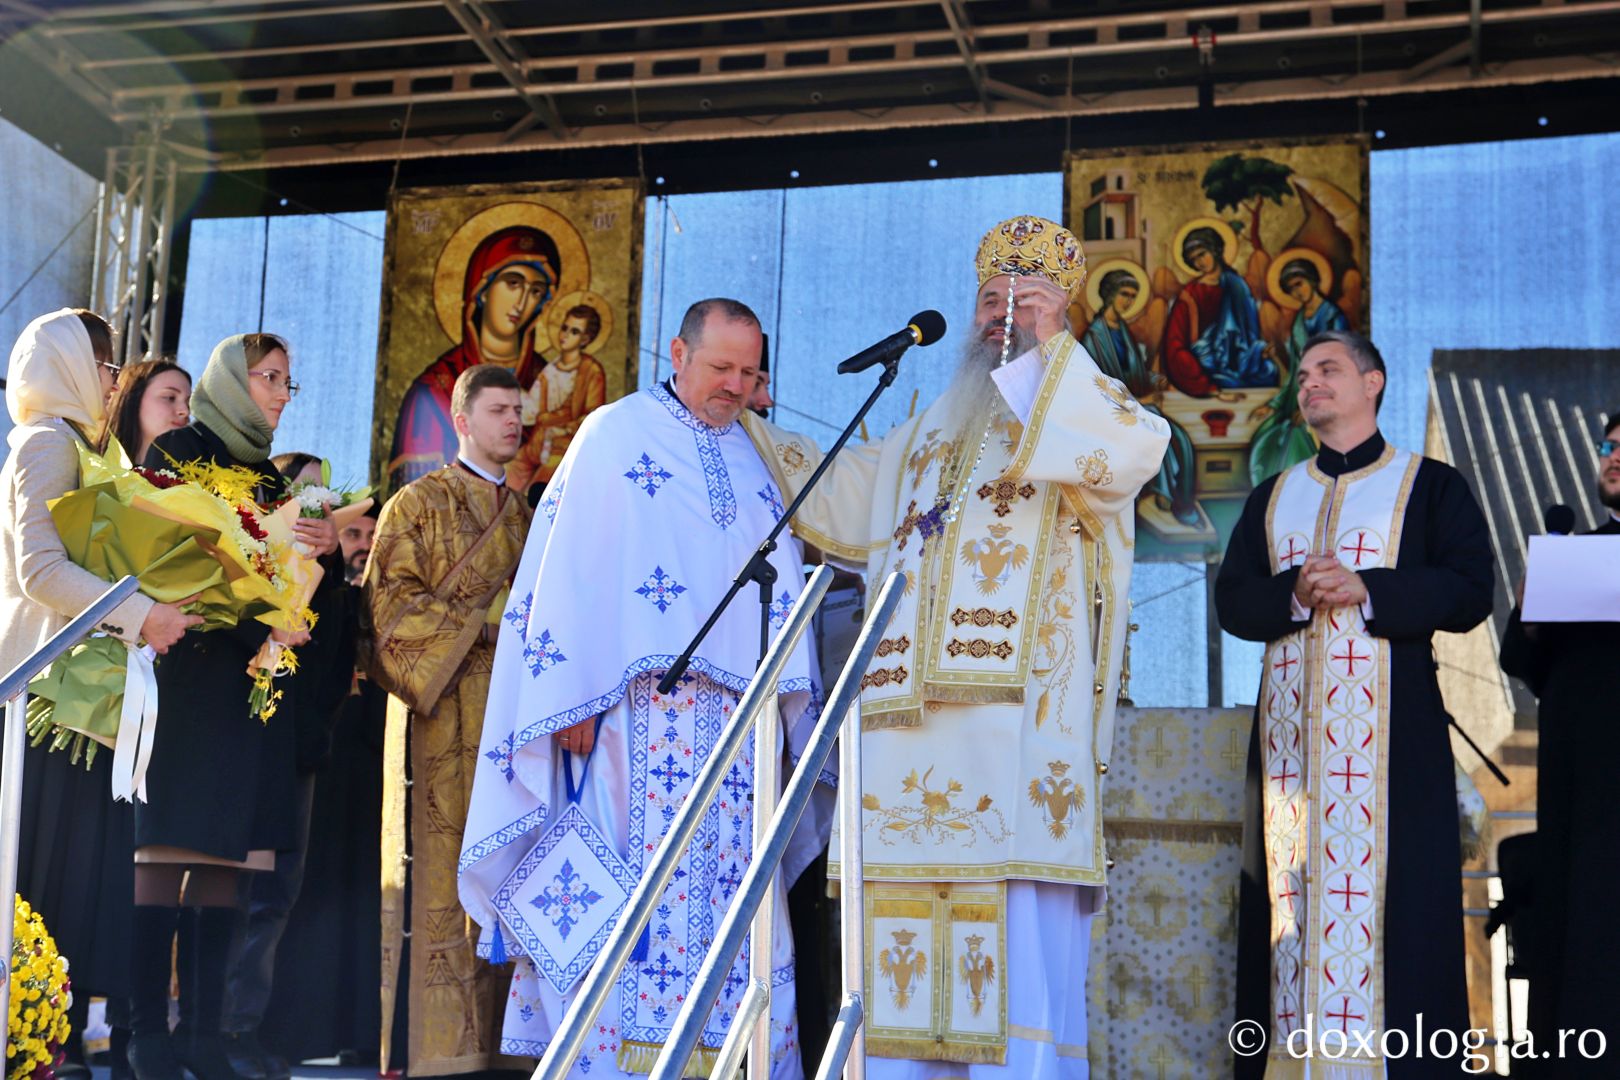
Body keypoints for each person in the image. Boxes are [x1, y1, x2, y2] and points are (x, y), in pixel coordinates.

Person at [750, 216, 1171, 1075]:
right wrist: (751, 426)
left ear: (1067, 312)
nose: (1002, 312)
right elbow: (844, 497)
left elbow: (1134, 455)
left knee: (1010, 939)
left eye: (1027, 297)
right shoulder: (936, 419)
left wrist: (1047, 354)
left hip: (1019, 736)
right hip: (906, 725)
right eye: (989, 298)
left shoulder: (1091, 405)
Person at [459, 299, 823, 1077]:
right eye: (720, 367)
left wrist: (788, 724)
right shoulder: (614, 435)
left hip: (735, 742)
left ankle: (728, 1058)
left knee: (733, 907)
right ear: (677, 352)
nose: (733, 385)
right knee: (629, 902)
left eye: (748, 372)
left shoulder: (754, 458)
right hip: (633, 726)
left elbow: (784, 593)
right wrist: (573, 698)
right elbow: (569, 574)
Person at [1215, 330, 1494, 1078]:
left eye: (1328, 369)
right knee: (1287, 906)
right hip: (1289, 761)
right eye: (1302, 373)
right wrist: (1294, 594)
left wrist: (1373, 586)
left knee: (1403, 913)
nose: (1310, 382)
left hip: (1392, 751)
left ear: (1374, 382)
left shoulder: (1431, 486)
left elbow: (1472, 590)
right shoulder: (1275, 497)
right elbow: (1235, 604)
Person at [132, 333, 342, 1080]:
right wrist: (260, 623)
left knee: (225, 862)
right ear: (232, 380)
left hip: (254, 693)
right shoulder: (177, 452)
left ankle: (203, 1035)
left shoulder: (274, 480)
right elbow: (170, 562)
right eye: (270, 377)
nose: (283, 393)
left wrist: (327, 548)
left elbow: (307, 583)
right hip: (189, 677)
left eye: (290, 380)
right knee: (163, 857)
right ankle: (145, 1034)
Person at [0, 310, 200, 1080]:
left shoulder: (84, 448)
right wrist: (141, 609)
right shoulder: (46, 442)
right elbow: (40, 571)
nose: (114, 379)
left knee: (73, 881)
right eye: (105, 363)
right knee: (49, 879)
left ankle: (49, 1041)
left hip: (80, 696)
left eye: (116, 366)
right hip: (47, 694)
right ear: (65, 364)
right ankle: (37, 1048)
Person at [364, 364, 532, 1077]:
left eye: (520, 411)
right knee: (446, 876)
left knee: (517, 875)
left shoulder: (531, 518)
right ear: (462, 420)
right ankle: (443, 1054)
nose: (514, 423)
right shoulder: (416, 504)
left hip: (521, 726)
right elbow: (388, 612)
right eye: (499, 410)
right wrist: (483, 627)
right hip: (445, 725)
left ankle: (513, 1043)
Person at [222, 451, 361, 1080]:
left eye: (324, 503)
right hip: (247, 747)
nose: (315, 513)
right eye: (301, 500)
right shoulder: (252, 563)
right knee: (236, 891)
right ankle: (212, 1028)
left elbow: (334, 663)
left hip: (299, 751)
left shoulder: (329, 581)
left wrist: (314, 733)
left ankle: (246, 1029)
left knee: (277, 894)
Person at [1498, 412, 1620, 1074]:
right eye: (1610, 445)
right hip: (1586, 781)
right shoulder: (1579, 554)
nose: (1615, 455)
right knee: (1587, 931)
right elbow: (1523, 660)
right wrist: (1529, 611)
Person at [390, 226, 560, 488]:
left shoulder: (551, 381)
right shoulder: (434, 387)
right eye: (513, 283)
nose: (522, 301)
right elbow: (414, 491)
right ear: (482, 289)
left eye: (536, 290)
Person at [1081, 267, 1199, 525]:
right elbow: (1095, 385)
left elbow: (1132, 372)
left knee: (1181, 439)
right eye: (1124, 294)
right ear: (1110, 294)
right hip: (1112, 416)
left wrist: (1154, 380)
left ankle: (1181, 500)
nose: (1128, 301)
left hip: (1137, 409)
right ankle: (1164, 496)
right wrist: (1139, 402)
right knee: (1160, 433)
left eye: (1133, 296)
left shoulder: (1123, 330)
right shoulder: (1094, 337)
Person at [1247, 258, 1349, 485]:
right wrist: (1273, 405)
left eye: (1299, 283)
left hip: (1328, 402)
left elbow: (1337, 369)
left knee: (1297, 438)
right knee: (1267, 436)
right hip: (1300, 400)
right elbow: (1296, 371)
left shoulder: (1332, 317)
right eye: (1291, 288)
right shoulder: (1299, 323)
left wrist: (1313, 407)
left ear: (1312, 281)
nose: (1297, 291)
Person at [1162, 225, 1277, 394]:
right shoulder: (1190, 295)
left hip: (1240, 359)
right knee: (1227, 381)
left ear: (1214, 250)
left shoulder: (1237, 285)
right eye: (1194, 259)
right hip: (1207, 363)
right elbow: (1174, 343)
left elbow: (1249, 332)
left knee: (1269, 371)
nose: (1200, 262)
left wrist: (1258, 351)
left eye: (1202, 254)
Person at [512, 301, 608, 493]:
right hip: (538, 446)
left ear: (585, 339)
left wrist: (563, 427)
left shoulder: (591, 372)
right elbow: (532, 408)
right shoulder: (550, 370)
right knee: (509, 476)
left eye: (574, 331)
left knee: (537, 496)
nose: (565, 335)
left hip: (565, 450)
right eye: (564, 328)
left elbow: (593, 417)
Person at [105, 358, 191, 465]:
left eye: (189, 403)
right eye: (170, 398)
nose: (185, 411)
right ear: (132, 399)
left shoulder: (202, 476)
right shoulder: (90, 470)